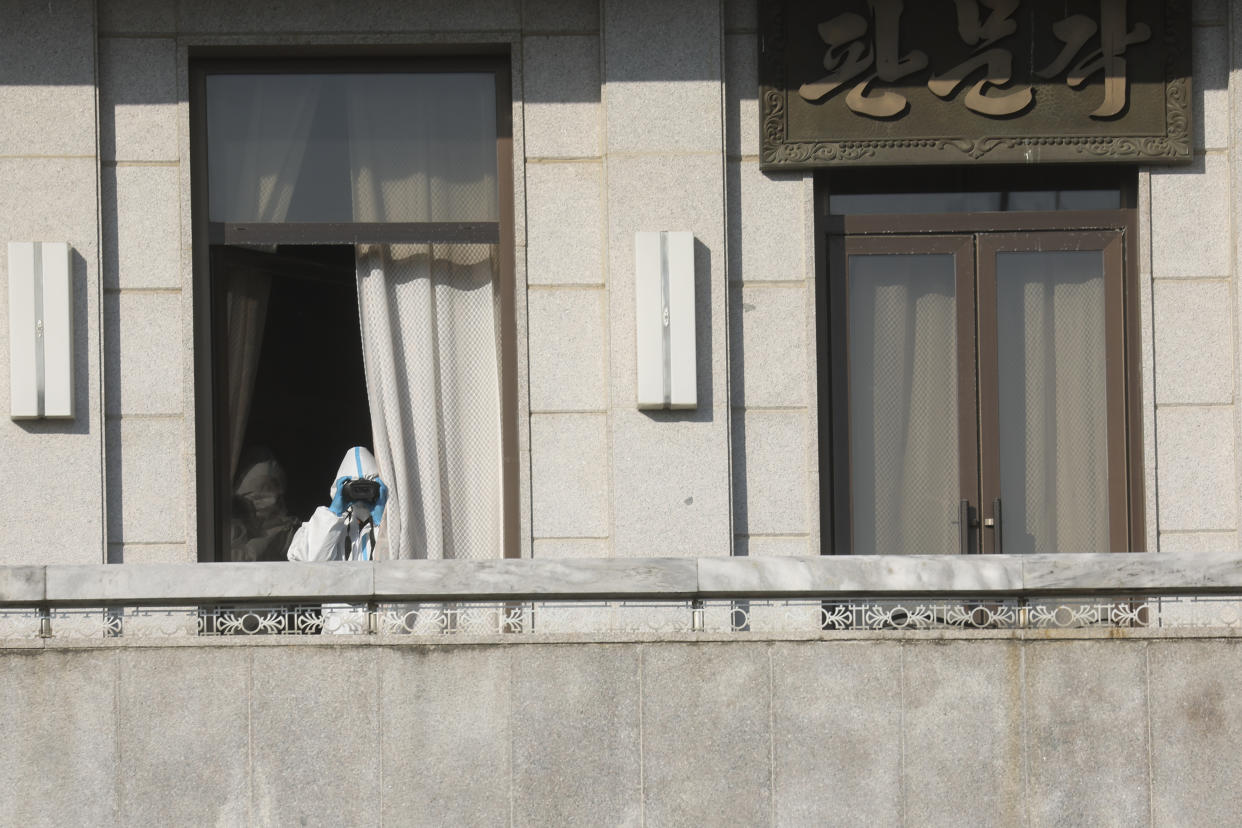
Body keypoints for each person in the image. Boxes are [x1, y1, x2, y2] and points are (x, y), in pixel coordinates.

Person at [287, 446, 389, 562]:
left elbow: (399, 564)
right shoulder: (315, 528)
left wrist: (383, 525)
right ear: (339, 488)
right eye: (354, 487)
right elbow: (310, 563)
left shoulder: (397, 529)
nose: (361, 494)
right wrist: (332, 515)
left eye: (367, 487)